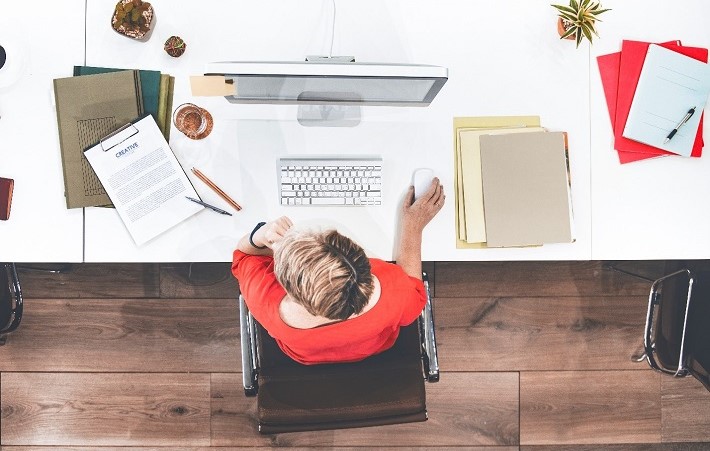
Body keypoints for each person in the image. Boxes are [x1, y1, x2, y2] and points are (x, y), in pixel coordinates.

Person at [231, 179, 445, 365]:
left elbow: (243, 255)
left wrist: (261, 233)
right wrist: (413, 226)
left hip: (305, 354)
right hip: (372, 346)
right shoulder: (394, 292)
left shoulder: (266, 301)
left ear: (288, 287)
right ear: (363, 262)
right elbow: (416, 295)